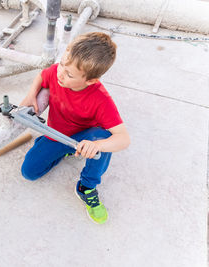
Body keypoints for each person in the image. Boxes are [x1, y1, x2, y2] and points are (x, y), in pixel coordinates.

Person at [20, 32, 130, 224]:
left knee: (103, 138)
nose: (60, 73)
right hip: (57, 135)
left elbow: (123, 139)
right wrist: (31, 95)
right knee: (29, 172)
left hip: (83, 139)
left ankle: (86, 187)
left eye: (70, 74)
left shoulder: (101, 99)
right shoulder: (57, 72)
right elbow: (42, 76)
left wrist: (97, 146)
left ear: (90, 81)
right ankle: (64, 152)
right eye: (62, 64)